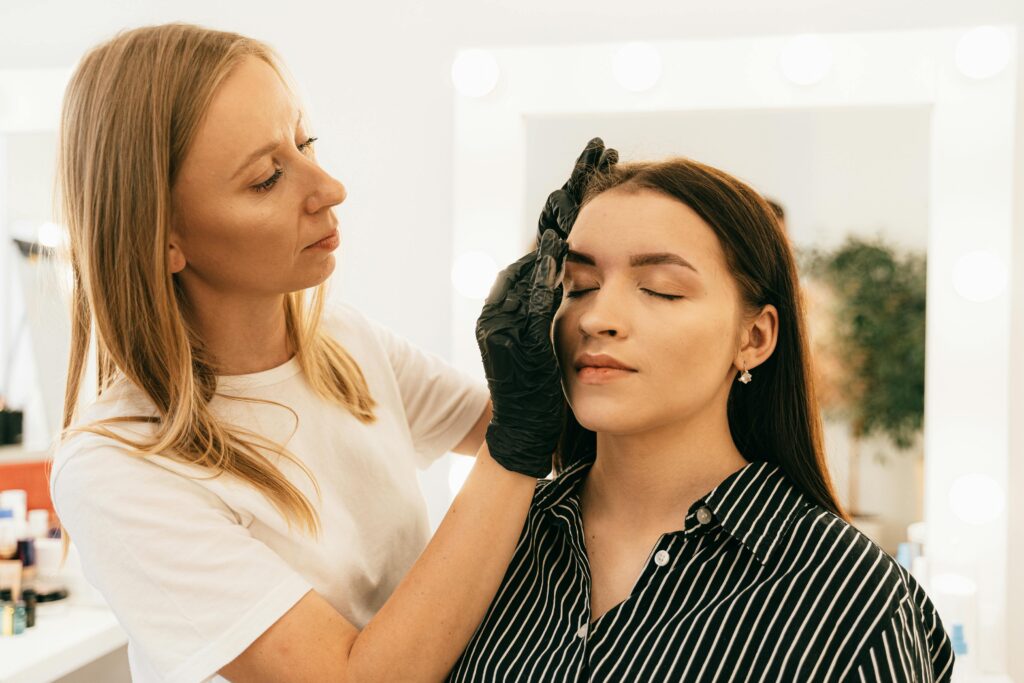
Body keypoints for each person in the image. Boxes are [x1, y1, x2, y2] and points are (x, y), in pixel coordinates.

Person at [49, 23, 606, 682]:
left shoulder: (343, 345)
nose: (329, 188)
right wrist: (518, 437)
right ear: (166, 238)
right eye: (266, 178)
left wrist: (579, 306)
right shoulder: (117, 468)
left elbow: (562, 436)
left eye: (305, 141)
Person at [448, 158, 954, 681]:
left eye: (662, 289)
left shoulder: (850, 602)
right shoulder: (490, 549)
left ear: (754, 338)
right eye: (577, 287)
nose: (597, 318)